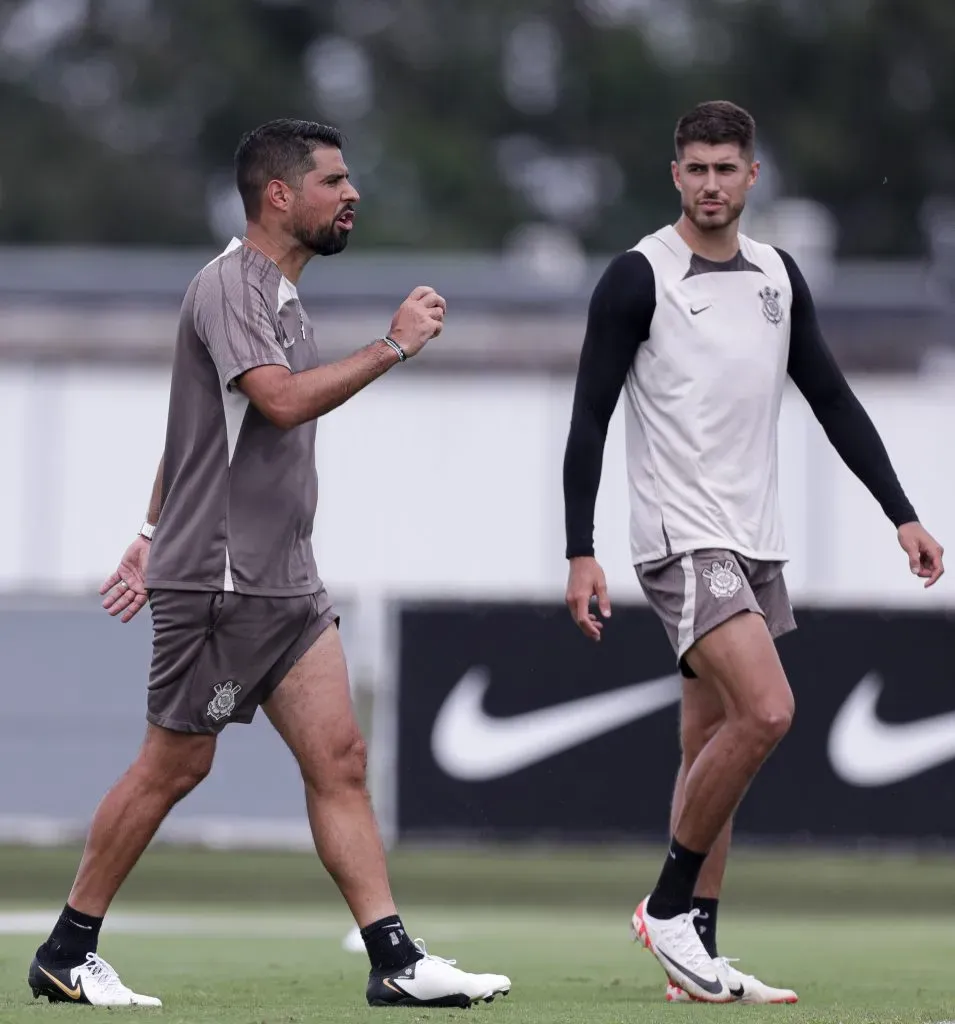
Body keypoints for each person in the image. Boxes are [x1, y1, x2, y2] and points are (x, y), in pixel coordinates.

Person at [28, 118, 511, 1011]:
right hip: (222, 581)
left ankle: (395, 960)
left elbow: (198, 430)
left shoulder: (281, 297)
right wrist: (393, 345)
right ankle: (67, 950)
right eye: (333, 181)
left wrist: (148, 527)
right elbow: (279, 403)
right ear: (279, 195)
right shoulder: (229, 287)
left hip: (283, 579)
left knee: (341, 758)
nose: (351, 194)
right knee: (175, 766)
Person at [562, 100, 944, 1005]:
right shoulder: (638, 276)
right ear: (675, 175)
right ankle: (665, 909)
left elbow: (831, 399)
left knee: (710, 742)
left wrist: (900, 514)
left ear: (751, 175)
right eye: (694, 168)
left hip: (754, 539)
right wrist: (579, 549)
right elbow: (588, 417)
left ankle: (694, 953)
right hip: (681, 537)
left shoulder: (776, 274)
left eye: (724, 168)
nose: (709, 184)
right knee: (768, 712)